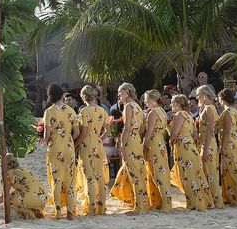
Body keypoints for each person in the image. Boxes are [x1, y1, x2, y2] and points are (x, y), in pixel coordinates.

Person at [169, 94, 213, 210]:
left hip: (183, 147)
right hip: (191, 146)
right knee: (195, 174)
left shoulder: (180, 114)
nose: (171, 106)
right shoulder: (189, 116)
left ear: (178, 105)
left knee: (188, 176)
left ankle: (194, 203)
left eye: (172, 103)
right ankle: (203, 201)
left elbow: (175, 132)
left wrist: (171, 141)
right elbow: (195, 135)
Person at [110, 82, 149, 214]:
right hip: (137, 139)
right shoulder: (138, 106)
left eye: (120, 92)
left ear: (126, 92)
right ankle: (138, 201)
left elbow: (127, 128)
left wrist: (122, 144)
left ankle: (140, 206)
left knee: (134, 172)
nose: (119, 95)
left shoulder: (128, 106)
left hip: (130, 141)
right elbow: (142, 127)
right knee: (137, 170)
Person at [43, 82, 79, 219]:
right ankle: (70, 212)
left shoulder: (49, 112)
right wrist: (69, 140)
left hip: (54, 147)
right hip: (69, 147)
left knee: (56, 180)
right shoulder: (70, 110)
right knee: (70, 180)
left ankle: (58, 212)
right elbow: (76, 132)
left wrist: (45, 140)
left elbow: (46, 135)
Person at [73, 85, 108, 215]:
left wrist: (75, 145)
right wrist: (99, 138)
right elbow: (108, 131)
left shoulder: (84, 111)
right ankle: (101, 207)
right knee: (99, 177)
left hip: (87, 146)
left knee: (89, 177)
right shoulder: (102, 111)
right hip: (98, 146)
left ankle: (92, 208)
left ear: (83, 97)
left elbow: (83, 134)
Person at [0, 154, 49, 219]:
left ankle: (27, 212)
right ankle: (34, 210)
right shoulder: (24, 170)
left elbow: (5, 196)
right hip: (44, 198)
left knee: (11, 197)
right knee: (20, 194)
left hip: (30, 198)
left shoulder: (9, 174)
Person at [141, 90, 172, 213]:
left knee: (158, 173)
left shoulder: (153, 112)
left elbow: (149, 132)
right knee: (161, 171)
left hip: (154, 143)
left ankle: (165, 203)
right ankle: (162, 201)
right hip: (160, 142)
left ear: (152, 99)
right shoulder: (162, 112)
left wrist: (143, 145)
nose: (145, 102)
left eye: (147, 100)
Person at [196, 85, 224, 209]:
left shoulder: (209, 109)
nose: (197, 98)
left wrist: (206, 148)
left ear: (204, 96)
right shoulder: (207, 108)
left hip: (208, 143)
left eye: (198, 95)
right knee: (209, 171)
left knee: (211, 171)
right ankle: (212, 199)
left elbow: (211, 130)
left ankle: (215, 200)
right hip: (206, 142)